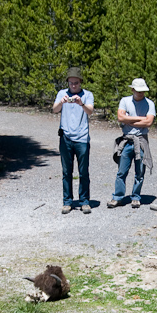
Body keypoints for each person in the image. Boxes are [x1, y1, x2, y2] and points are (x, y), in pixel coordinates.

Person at [52, 67, 94, 214]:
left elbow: (90, 111)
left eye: (76, 83)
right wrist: (62, 102)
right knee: (66, 172)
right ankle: (67, 201)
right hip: (66, 138)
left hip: (82, 138)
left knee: (83, 172)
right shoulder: (61, 94)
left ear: (80, 82)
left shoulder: (87, 95)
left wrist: (81, 103)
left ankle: (84, 201)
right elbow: (54, 109)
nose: (73, 86)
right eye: (71, 83)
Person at [109, 78, 155, 209]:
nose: (141, 93)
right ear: (133, 90)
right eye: (138, 91)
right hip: (127, 140)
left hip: (141, 139)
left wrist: (128, 120)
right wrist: (140, 118)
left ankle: (136, 197)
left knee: (140, 171)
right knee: (121, 171)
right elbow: (120, 117)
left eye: (143, 91)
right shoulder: (125, 101)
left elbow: (149, 122)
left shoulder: (149, 104)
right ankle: (117, 197)